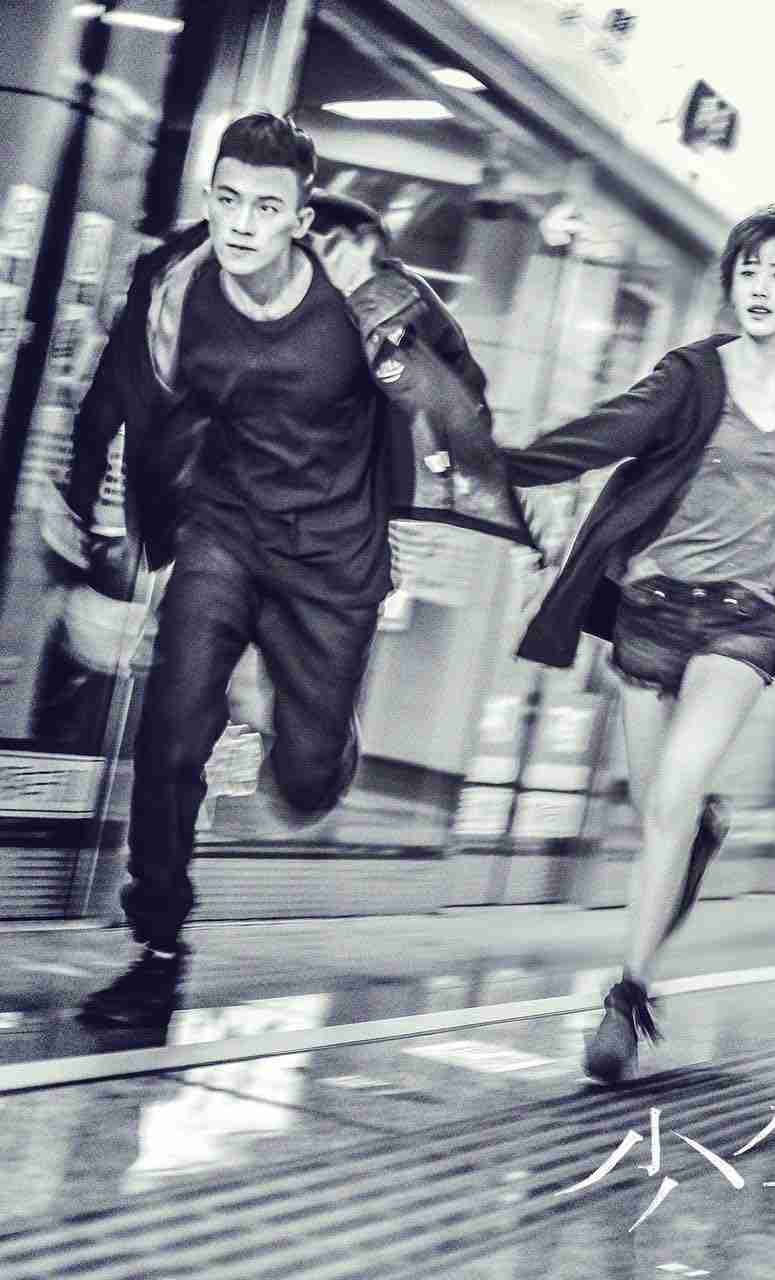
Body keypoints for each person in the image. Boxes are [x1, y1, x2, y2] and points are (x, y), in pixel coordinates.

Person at [47, 111, 531, 1027]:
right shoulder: (177, 282)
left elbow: (461, 400)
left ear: (300, 220)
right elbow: (116, 393)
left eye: (265, 207)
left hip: (333, 564)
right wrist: (82, 510)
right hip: (222, 535)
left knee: (304, 786)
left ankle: (321, 739)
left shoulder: (371, 296)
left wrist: (382, 332)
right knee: (171, 732)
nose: (241, 224)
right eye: (227, 200)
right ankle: (157, 948)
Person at [502, 207, 775, 1082]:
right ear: (731, 282)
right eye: (748, 271)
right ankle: (698, 831)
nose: (760, 288)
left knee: (672, 798)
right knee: (657, 809)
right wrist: (500, 463)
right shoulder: (692, 377)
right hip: (648, 610)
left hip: (743, 620)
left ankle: (627, 995)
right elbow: (604, 435)